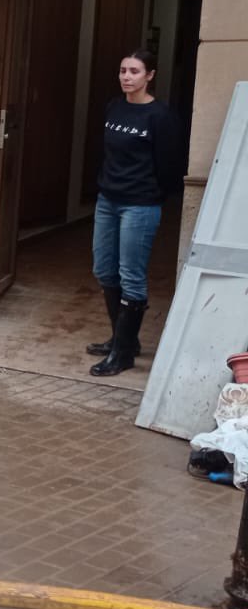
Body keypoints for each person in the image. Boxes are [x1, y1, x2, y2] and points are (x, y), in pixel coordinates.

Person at [86, 50, 186, 377]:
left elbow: (170, 165)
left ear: (150, 76)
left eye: (134, 71)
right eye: (122, 70)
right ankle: (122, 339)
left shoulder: (160, 116)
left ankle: (124, 353)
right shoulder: (114, 108)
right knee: (104, 269)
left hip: (139, 205)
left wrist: (153, 194)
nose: (126, 77)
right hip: (108, 200)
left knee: (131, 274)